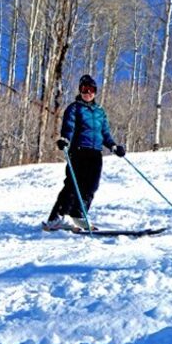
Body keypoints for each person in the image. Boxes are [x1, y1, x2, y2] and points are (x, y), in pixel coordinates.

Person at [44, 75, 126, 230]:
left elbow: (105, 133)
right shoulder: (74, 108)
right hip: (79, 150)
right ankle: (57, 217)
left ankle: (79, 214)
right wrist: (65, 140)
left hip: (95, 152)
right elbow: (69, 126)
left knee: (91, 186)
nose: (88, 93)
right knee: (73, 184)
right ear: (80, 91)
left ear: (95, 92)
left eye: (91, 90)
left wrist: (114, 146)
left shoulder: (100, 112)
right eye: (84, 89)